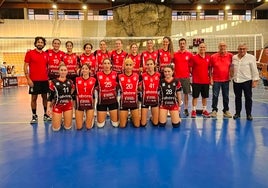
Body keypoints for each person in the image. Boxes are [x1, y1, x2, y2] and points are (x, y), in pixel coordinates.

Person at [24, 36, 51, 124]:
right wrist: (28, 79)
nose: (40, 44)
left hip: (44, 80)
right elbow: (25, 66)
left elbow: (48, 67)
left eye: (41, 42)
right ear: (35, 43)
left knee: (45, 98)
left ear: (44, 44)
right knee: (34, 98)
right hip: (34, 80)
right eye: (38, 42)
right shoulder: (30, 53)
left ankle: (46, 115)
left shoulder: (46, 54)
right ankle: (34, 116)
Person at [231, 43, 259, 121]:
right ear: (238, 49)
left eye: (243, 49)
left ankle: (248, 114)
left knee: (248, 98)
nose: (242, 50)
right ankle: (237, 113)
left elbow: (254, 69)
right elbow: (232, 67)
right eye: (240, 49)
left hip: (247, 81)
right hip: (236, 81)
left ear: (246, 49)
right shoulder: (234, 57)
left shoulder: (251, 57)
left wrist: (255, 80)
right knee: (237, 98)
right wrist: (231, 76)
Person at [47, 63, 75, 131]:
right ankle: (58, 119)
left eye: (65, 70)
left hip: (67, 106)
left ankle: (63, 120)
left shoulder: (70, 82)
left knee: (67, 128)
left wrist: (73, 107)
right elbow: (50, 96)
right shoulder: (53, 82)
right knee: (56, 129)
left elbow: (71, 94)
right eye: (61, 70)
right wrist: (48, 108)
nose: (63, 71)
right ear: (58, 71)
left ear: (67, 71)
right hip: (57, 106)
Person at [210, 41, 233, 118]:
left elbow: (232, 66)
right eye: (221, 46)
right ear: (218, 47)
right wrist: (211, 78)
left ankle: (226, 110)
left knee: (226, 96)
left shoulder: (230, 56)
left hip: (226, 80)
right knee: (215, 96)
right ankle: (214, 110)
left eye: (224, 45)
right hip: (216, 80)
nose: (222, 47)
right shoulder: (213, 56)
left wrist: (231, 75)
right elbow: (210, 68)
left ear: (226, 47)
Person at [189, 42, 211, 118]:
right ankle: (194, 110)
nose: (202, 48)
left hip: (205, 81)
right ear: (198, 48)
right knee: (195, 96)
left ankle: (204, 110)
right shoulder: (194, 57)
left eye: (203, 47)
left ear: (206, 48)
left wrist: (210, 78)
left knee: (204, 97)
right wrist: (195, 75)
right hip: (196, 81)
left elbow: (209, 69)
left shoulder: (208, 58)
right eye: (201, 47)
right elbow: (190, 68)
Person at [95, 58, 119, 128]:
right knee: (100, 125)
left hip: (113, 101)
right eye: (105, 63)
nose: (106, 65)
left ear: (111, 65)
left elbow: (119, 86)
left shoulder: (115, 74)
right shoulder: (98, 75)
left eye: (108, 63)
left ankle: (114, 116)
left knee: (115, 124)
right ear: (102, 65)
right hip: (102, 102)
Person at [118, 58, 140, 128]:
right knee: (122, 125)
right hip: (124, 103)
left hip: (134, 102)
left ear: (133, 66)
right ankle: (126, 116)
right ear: (124, 66)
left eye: (130, 65)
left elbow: (141, 87)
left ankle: (132, 116)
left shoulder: (137, 76)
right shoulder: (119, 76)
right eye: (127, 65)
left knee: (137, 125)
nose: (128, 66)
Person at [173, 38, 193, 116]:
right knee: (176, 94)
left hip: (186, 77)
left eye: (183, 43)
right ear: (179, 44)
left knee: (186, 94)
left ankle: (186, 109)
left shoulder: (189, 55)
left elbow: (191, 66)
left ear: (185, 44)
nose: (182, 45)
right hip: (177, 77)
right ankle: (177, 108)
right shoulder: (175, 54)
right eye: (181, 43)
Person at [140, 58, 161, 127]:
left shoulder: (159, 75)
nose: (149, 66)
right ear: (146, 66)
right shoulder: (142, 75)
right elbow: (138, 87)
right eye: (148, 64)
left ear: (154, 65)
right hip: (145, 100)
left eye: (151, 64)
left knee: (156, 123)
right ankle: (138, 115)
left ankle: (152, 117)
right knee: (143, 124)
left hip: (155, 100)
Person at [75, 63, 96, 130]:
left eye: (86, 68)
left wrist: (94, 106)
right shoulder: (76, 80)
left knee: (88, 127)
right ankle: (83, 119)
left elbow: (95, 94)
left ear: (89, 70)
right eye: (83, 68)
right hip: (79, 105)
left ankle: (91, 119)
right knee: (79, 127)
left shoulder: (94, 80)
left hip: (89, 104)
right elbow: (73, 92)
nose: (84, 70)